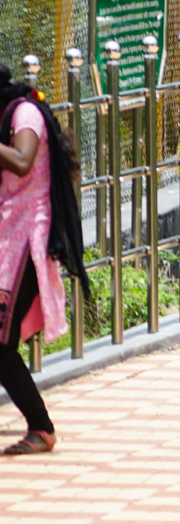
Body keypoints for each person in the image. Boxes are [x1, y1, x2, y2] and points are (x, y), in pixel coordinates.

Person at [0, 64, 86, 457]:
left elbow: (21, 160)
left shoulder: (24, 113)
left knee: (1, 344)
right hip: (8, 236)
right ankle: (39, 425)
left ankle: (41, 427)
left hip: (30, 240)